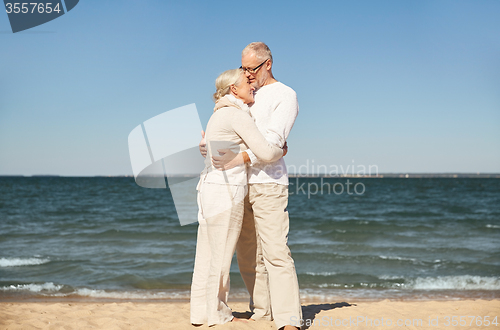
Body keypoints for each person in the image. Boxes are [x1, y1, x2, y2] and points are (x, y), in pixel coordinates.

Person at [202, 42, 302, 330]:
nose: (246, 74)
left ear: (267, 64)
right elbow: (232, 136)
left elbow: (271, 142)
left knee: (275, 251)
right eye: (243, 68)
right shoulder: (247, 95)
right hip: (236, 186)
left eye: (251, 69)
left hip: (268, 183)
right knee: (247, 253)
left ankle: (289, 319)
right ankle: (262, 310)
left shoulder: (285, 95)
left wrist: (239, 158)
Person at [190, 68, 286, 326]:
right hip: (225, 193)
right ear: (234, 89)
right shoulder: (235, 115)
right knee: (220, 258)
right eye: (246, 81)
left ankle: (200, 313)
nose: (251, 84)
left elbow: (212, 151)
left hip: (208, 190)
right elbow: (266, 152)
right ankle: (217, 314)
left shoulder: (218, 115)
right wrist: (281, 149)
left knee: (207, 256)